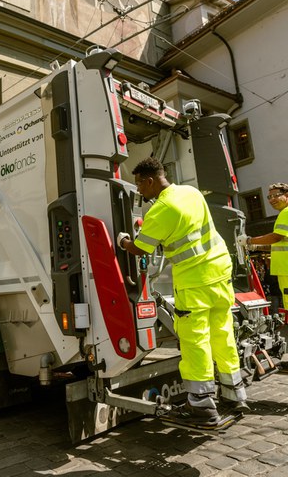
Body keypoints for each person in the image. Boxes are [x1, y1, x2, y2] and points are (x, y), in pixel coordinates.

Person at [117, 157, 248, 426]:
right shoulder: (191, 192)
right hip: (220, 271)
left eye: (140, 185)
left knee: (195, 340)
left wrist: (123, 241)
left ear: (150, 181)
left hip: (194, 280)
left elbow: (141, 248)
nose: (139, 191)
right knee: (222, 332)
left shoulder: (161, 210)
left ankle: (201, 406)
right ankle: (235, 393)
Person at [237, 183, 288, 312]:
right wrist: (255, 246)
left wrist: (249, 240)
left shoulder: (286, 212)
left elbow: (276, 237)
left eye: (276, 195)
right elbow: (279, 245)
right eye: (269, 197)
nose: (272, 200)